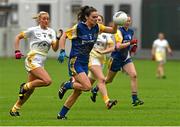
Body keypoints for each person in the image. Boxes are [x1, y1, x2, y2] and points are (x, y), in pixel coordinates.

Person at [57, 6, 118, 119]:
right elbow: (64, 35)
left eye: (97, 17)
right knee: (87, 87)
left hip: (85, 62)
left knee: (77, 92)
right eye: (93, 17)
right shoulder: (79, 27)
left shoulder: (97, 27)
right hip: (75, 62)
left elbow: (113, 31)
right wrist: (62, 50)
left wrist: (116, 22)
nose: (96, 19)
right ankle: (66, 85)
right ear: (86, 17)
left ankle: (61, 115)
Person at [10, 11, 62, 116]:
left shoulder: (51, 31)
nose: (46, 20)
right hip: (33, 59)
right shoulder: (33, 30)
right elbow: (17, 37)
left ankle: (14, 109)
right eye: (44, 18)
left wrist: (57, 38)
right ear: (39, 20)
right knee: (47, 81)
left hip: (41, 61)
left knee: (31, 90)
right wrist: (17, 51)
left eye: (48, 19)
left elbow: (55, 49)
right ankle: (24, 86)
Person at [91, 16, 144, 106]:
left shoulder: (131, 31)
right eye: (126, 21)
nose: (127, 22)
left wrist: (133, 47)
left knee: (134, 75)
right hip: (116, 58)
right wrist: (130, 43)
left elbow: (129, 45)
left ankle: (135, 99)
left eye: (129, 21)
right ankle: (96, 89)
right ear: (122, 21)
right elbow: (118, 46)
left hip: (126, 57)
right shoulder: (118, 31)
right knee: (108, 80)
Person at [88, 15, 117, 109]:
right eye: (96, 20)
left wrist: (103, 51)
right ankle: (107, 102)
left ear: (102, 22)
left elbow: (112, 47)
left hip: (101, 61)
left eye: (100, 20)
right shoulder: (90, 32)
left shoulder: (107, 35)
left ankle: (69, 84)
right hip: (91, 58)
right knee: (102, 79)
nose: (98, 21)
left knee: (86, 86)